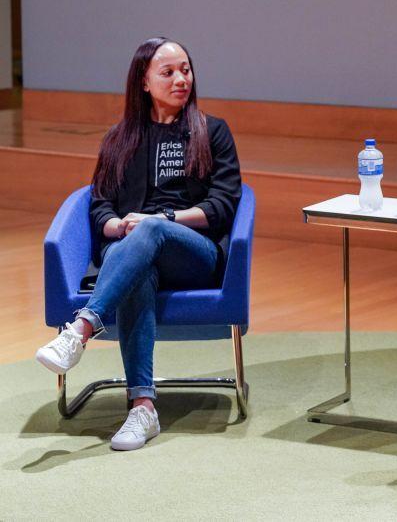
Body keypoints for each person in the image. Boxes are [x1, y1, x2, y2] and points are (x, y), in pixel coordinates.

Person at [35, 37, 242, 451]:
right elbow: (100, 207)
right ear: (144, 82)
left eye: (186, 69)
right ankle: (142, 408)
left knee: (150, 231)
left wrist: (159, 220)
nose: (181, 79)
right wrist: (118, 227)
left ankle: (82, 328)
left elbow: (222, 205)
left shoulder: (212, 132)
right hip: (132, 252)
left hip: (194, 253)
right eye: (168, 72)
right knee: (138, 266)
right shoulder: (120, 138)